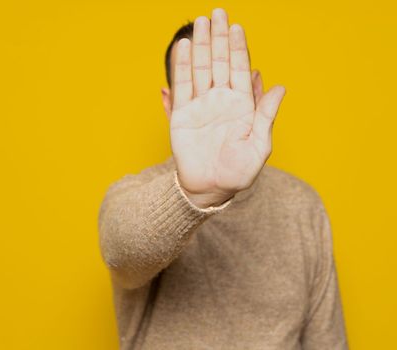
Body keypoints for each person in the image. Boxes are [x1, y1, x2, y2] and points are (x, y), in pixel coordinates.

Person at [98, 8, 348, 349]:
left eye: (228, 86)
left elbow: (327, 342)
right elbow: (121, 251)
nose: (217, 107)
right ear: (169, 105)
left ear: (255, 89)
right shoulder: (134, 193)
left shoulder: (301, 204)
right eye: (200, 92)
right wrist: (195, 195)